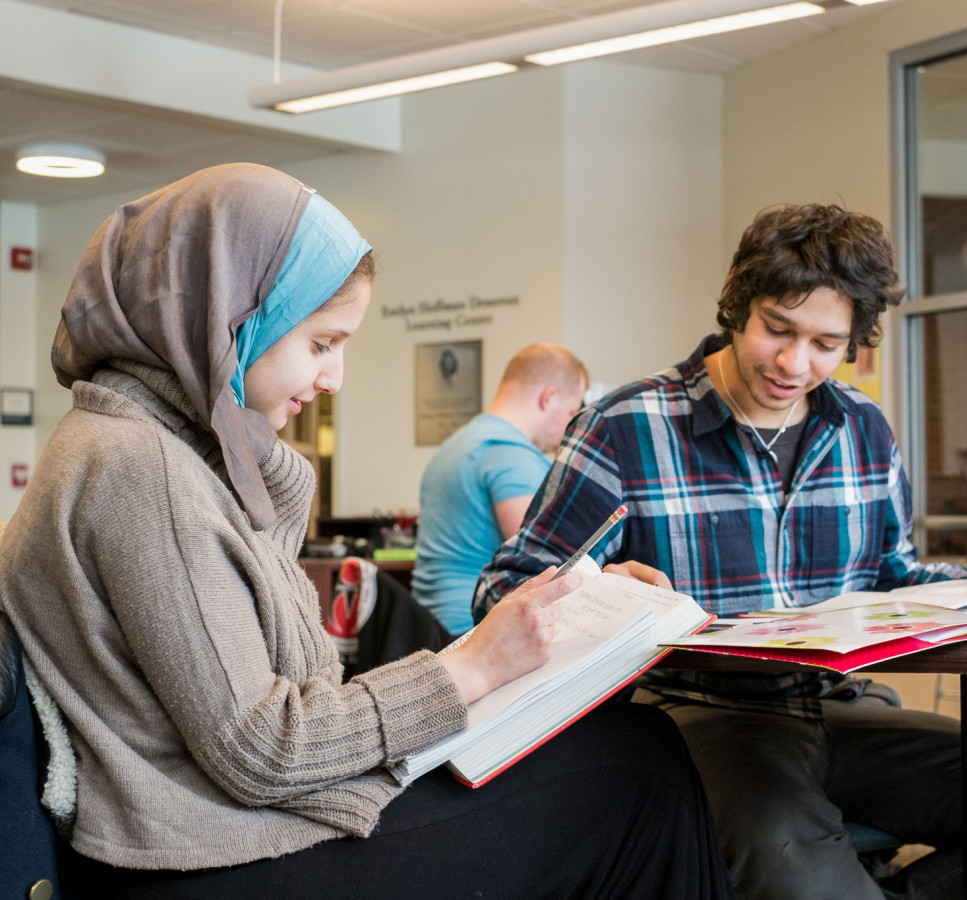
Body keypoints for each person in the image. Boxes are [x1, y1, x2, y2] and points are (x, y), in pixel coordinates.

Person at [0, 164, 732, 900]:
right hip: (210, 856)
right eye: (321, 343)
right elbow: (263, 750)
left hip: (221, 830)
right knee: (644, 770)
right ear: (229, 317)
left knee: (633, 753)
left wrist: (554, 616)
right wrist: (470, 667)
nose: (334, 378)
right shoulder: (138, 465)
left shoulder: (143, 446)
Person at [475, 203, 967, 900]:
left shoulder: (863, 428)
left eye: (825, 343)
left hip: (843, 706)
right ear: (739, 303)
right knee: (804, 870)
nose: (794, 362)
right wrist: (599, 590)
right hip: (701, 713)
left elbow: (892, 577)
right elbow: (502, 591)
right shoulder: (626, 426)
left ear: (854, 341)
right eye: (777, 329)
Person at [412, 343, 588, 636]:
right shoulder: (512, 455)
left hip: (429, 628)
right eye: (571, 411)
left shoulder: (455, 445)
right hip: (471, 631)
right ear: (548, 397)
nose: (566, 431)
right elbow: (545, 563)